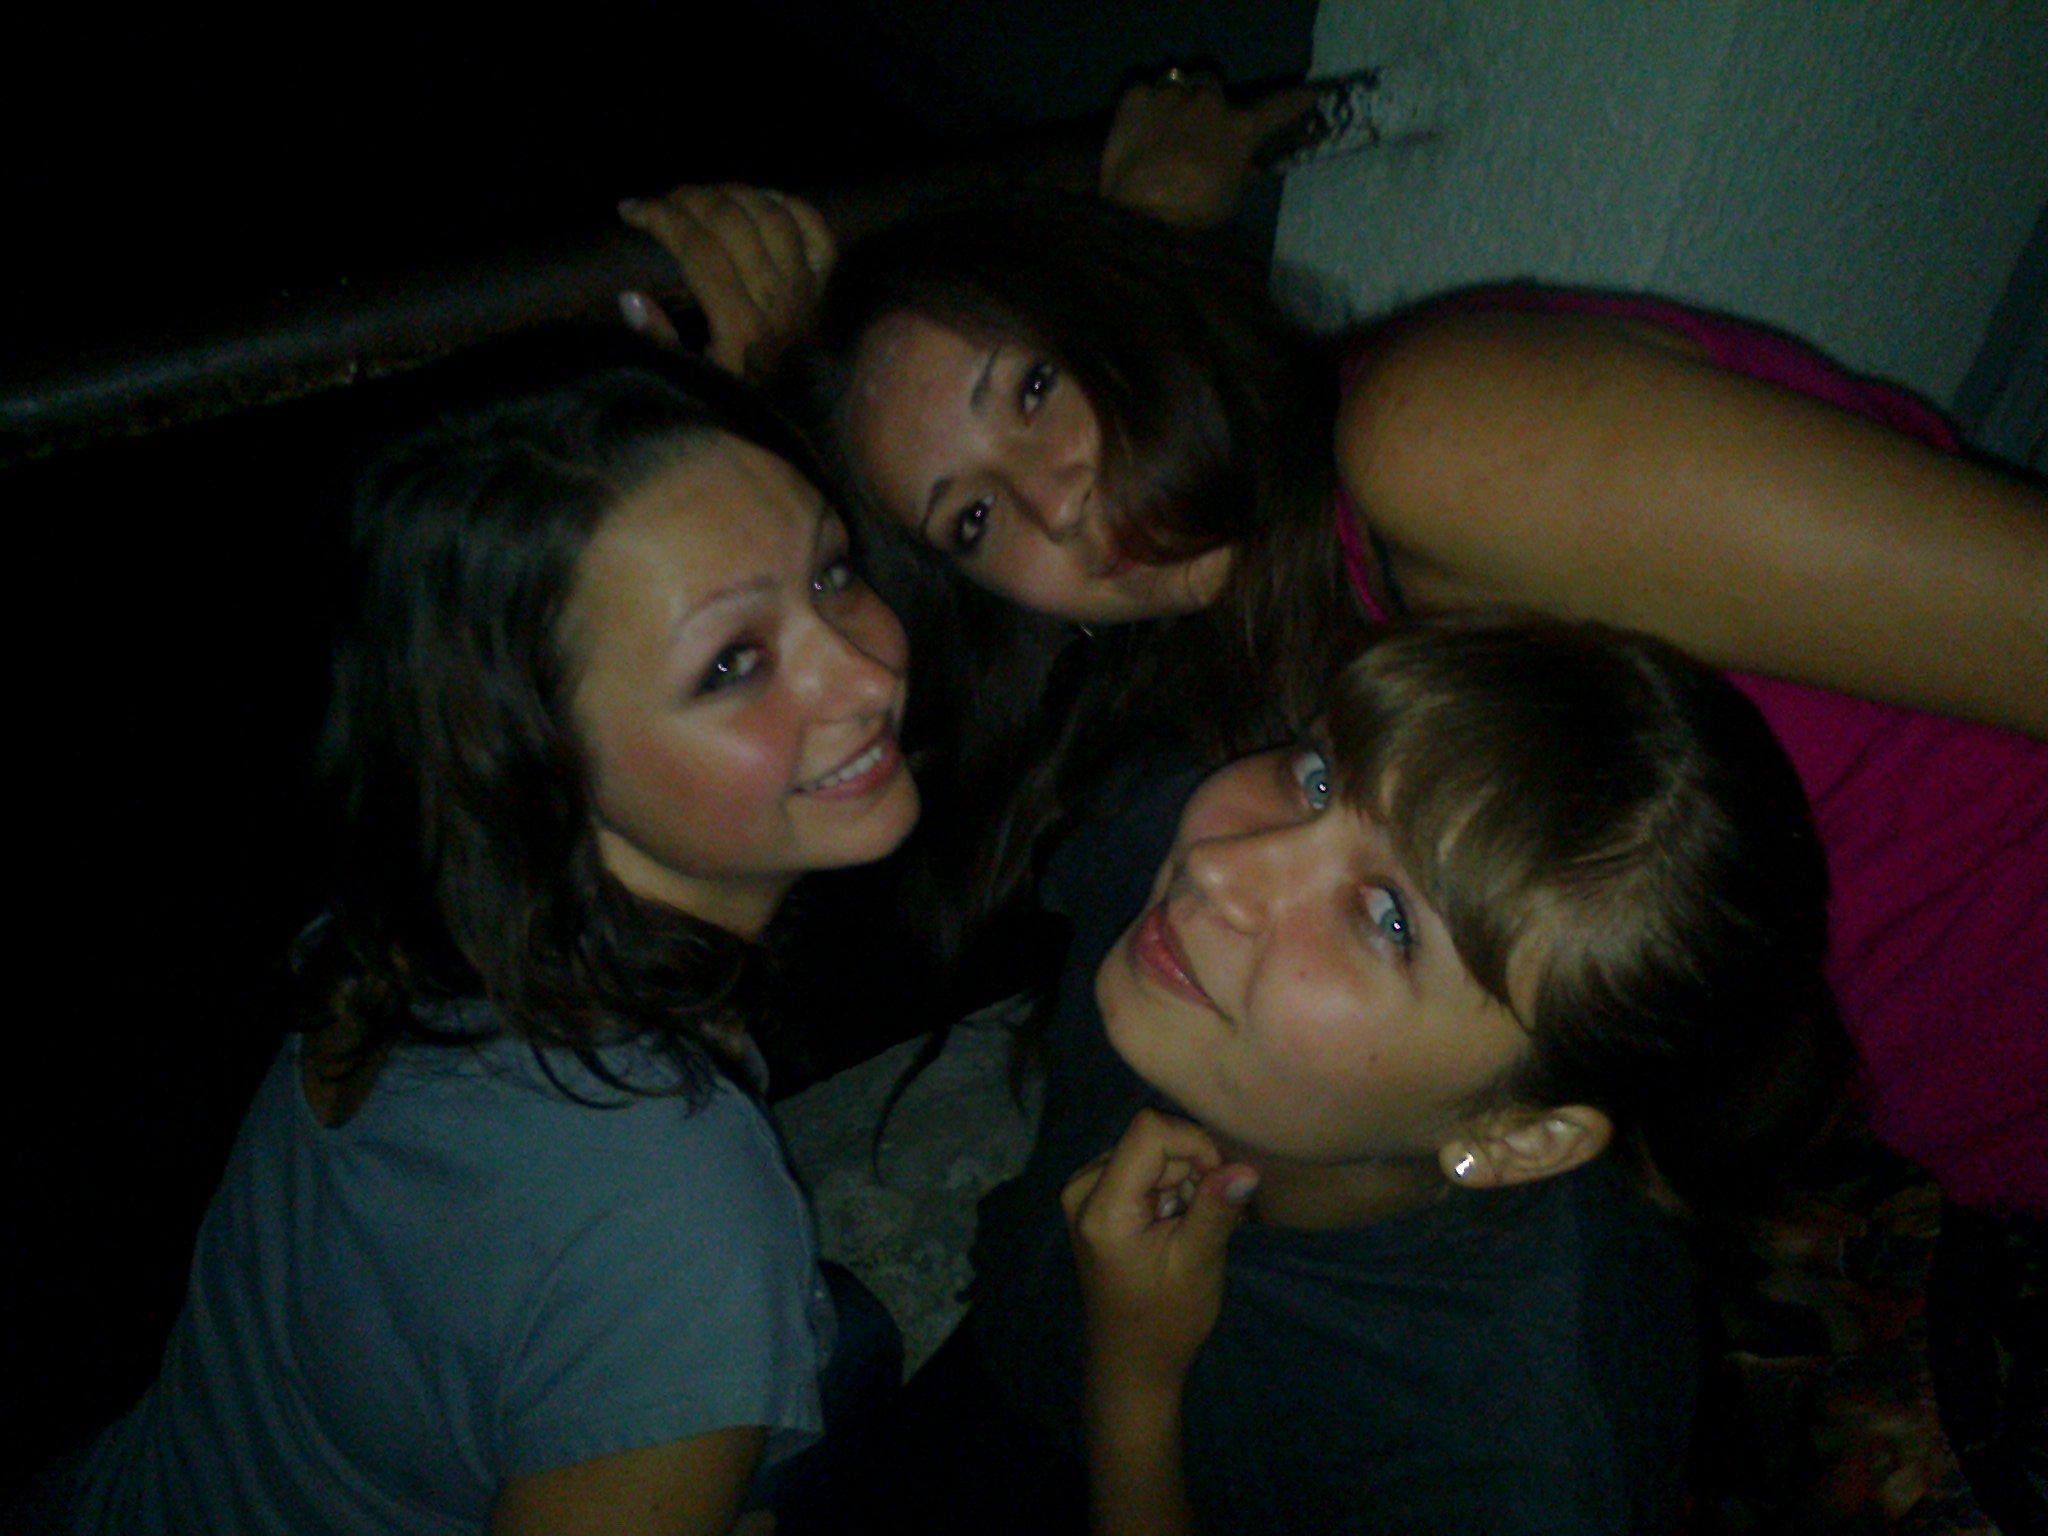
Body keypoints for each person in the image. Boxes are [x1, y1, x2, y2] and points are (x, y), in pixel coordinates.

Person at [617, 79, 2048, 1216]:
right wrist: (749, 450)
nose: (1055, 501)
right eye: (973, 517)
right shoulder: (1274, 621)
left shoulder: (1437, 443)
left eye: (1038, 385)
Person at [59, 343, 921, 1535]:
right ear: (535, 762)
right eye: (732, 663)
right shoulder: (678, 1224)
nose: (865, 673)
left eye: (831, 571)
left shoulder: (400, 936)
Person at [851, 612, 1846, 1535]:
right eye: (1319, 776)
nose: (1222, 864)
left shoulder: (1509, 1453)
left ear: (1516, 1137)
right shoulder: (1175, 891)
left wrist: (1135, 1379)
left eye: (1387, 919)